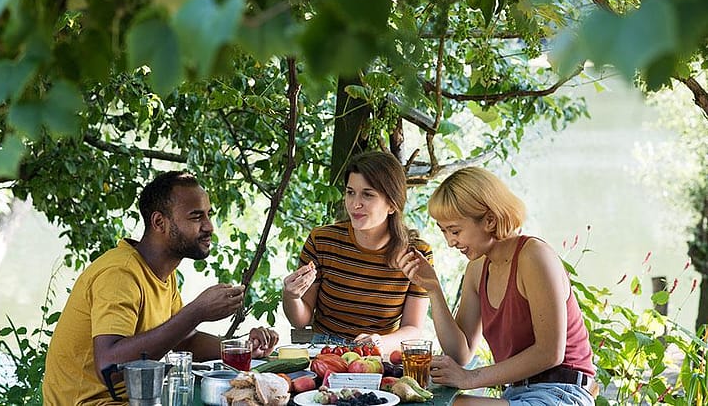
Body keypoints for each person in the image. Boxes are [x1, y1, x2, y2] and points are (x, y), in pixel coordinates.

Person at [43, 171, 279, 405]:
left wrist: (241, 348)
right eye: (196, 217)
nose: (209, 227)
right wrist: (197, 311)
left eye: (209, 215)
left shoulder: (162, 272)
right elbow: (110, 367)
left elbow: (182, 340)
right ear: (159, 222)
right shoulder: (120, 273)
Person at [396, 166, 596, 405]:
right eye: (444, 232)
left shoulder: (534, 256)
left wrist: (470, 379)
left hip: (562, 392)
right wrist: (433, 290)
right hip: (516, 394)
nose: (450, 242)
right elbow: (460, 353)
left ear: (489, 220)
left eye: (455, 230)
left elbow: (550, 352)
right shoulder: (478, 268)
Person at [282, 151, 433, 356]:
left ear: (392, 205)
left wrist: (379, 343)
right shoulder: (322, 240)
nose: (355, 204)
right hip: (324, 352)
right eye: (350, 192)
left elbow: (413, 329)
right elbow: (302, 320)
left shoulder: (417, 254)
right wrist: (291, 296)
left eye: (367, 194)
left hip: (378, 356)